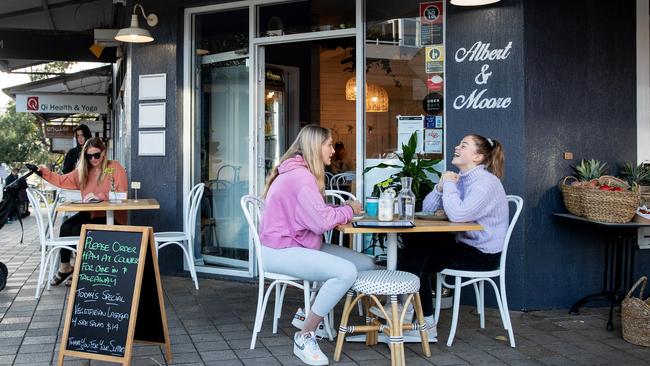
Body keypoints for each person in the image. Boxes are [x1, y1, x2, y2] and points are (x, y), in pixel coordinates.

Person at [371, 134, 508, 342]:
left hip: (483, 253)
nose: (457, 147)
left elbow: (459, 216)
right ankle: (407, 310)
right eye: (459, 143)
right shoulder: (461, 178)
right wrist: (440, 186)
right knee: (416, 243)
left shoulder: (485, 182)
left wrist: (450, 185)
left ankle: (423, 323)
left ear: (478, 157)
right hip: (466, 244)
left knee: (422, 257)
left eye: (464, 145)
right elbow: (427, 208)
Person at [259, 125, 375, 366]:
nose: (333, 150)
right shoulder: (301, 177)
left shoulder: (298, 172)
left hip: (298, 244)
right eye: (329, 145)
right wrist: (348, 210)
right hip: (282, 250)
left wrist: (338, 211)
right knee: (345, 271)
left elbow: (313, 214)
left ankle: (306, 314)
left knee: (366, 263)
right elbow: (321, 223)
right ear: (315, 147)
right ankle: (305, 335)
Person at [33, 137, 127, 286]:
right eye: (89, 156)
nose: (93, 159)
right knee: (66, 226)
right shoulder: (83, 170)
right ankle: (65, 267)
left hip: (111, 215)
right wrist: (43, 173)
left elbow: (122, 194)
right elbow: (62, 180)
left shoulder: (113, 167)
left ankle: (79, 268)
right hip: (90, 213)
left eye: (96, 155)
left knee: (78, 229)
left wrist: (99, 196)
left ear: (103, 152)